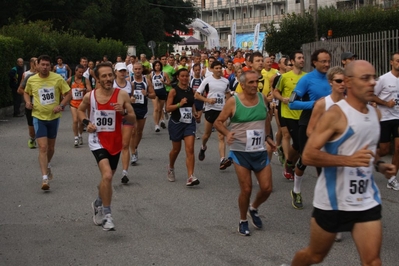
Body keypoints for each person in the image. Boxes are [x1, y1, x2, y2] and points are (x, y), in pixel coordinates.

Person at [287, 60, 395, 266]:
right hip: (332, 200)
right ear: (348, 82)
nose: (372, 83)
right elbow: (309, 155)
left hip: (365, 199)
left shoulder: (375, 113)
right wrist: (348, 160)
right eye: (365, 78)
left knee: (373, 262)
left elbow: (369, 153)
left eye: (374, 77)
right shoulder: (336, 114)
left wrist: (381, 166)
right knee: (314, 256)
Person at [214, 70, 276, 236]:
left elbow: (267, 119)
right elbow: (218, 122)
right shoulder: (234, 102)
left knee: (267, 188)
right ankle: (242, 220)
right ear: (242, 85)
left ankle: (253, 208)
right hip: (240, 151)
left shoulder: (262, 98)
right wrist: (227, 133)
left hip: (259, 151)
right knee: (246, 189)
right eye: (251, 82)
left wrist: (268, 136)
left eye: (257, 82)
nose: (255, 85)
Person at [78, 62, 136, 231]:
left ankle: (98, 202)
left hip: (115, 142)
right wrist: (86, 122)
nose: (108, 78)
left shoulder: (122, 95)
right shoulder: (91, 96)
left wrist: (124, 112)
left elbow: (132, 118)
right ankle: (107, 215)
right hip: (97, 140)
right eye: (104, 76)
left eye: (110, 75)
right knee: (108, 176)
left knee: (106, 179)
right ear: (97, 78)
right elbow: (81, 111)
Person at [288, 48, 332, 209]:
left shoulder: (333, 79)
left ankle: (325, 200)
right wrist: (315, 104)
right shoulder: (306, 79)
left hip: (328, 125)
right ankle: (296, 190)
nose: (327, 64)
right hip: (308, 123)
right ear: (314, 62)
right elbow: (292, 103)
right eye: (323, 61)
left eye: (328, 61)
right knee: (306, 160)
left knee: (324, 162)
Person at [24, 54, 71, 190]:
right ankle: (45, 179)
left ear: (50, 66)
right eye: (42, 64)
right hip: (38, 117)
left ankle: (48, 164)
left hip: (54, 118)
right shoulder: (32, 80)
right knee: (43, 147)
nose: (44, 67)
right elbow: (26, 92)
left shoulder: (57, 78)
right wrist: (27, 102)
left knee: (51, 148)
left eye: (47, 65)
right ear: (37, 65)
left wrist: (61, 105)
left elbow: (68, 93)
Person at [274, 51, 306, 181]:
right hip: (288, 114)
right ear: (292, 61)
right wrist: (282, 98)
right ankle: (289, 163)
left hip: (303, 114)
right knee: (298, 143)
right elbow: (275, 92)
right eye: (299, 58)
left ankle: (291, 164)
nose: (302, 60)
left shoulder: (307, 77)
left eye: (303, 58)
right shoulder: (285, 77)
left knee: (302, 146)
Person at [195, 60, 232, 170]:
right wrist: (207, 100)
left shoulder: (225, 81)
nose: (219, 70)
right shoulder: (207, 80)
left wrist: (228, 108)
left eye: (220, 68)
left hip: (222, 110)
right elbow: (196, 95)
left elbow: (228, 94)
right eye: (216, 68)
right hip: (210, 109)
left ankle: (222, 159)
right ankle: (203, 147)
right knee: (206, 135)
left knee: (221, 136)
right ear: (211, 69)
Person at [166, 68, 200, 186]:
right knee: (176, 149)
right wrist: (179, 104)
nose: (185, 78)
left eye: (187, 76)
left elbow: (192, 104)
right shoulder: (173, 91)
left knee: (190, 149)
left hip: (189, 123)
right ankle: (171, 167)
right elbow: (168, 108)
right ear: (178, 77)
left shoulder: (190, 90)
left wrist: (195, 113)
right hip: (176, 123)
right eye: (183, 76)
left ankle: (190, 176)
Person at [371, 51, 399, 190]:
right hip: (385, 118)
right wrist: (385, 103)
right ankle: (371, 160)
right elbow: (372, 96)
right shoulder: (383, 79)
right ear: (391, 63)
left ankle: (392, 178)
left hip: (398, 117)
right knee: (384, 149)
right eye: (397, 60)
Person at [130, 62, 156, 165]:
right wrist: (129, 98)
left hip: (142, 108)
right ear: (133, 70)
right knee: (133, 132)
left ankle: (135, 147)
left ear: (142, 69)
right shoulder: (129, 81)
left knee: (139, 132)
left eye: (139, 69)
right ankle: (133, 153)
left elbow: (154, 95)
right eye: (135, 69)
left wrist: (147, 94)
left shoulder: (146, 80)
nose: (137, 71)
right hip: (132, 108)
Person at [113, 62, 134, 184]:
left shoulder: (130, 85)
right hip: (113, 117)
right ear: (115, 72)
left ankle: (125, 172)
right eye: (120, 71)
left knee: (125, 145)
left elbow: (131, 101)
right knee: (115, 144)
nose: (122, 73)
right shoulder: (111, 85)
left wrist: (131, 101)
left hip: (126, 115)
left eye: (124, 71)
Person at [66, 64, 92, 147]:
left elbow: (90, 90)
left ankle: (80, 135)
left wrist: (84, 89)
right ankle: (76, 137)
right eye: (79, 72)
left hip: (82, 103)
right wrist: (66, 96)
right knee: (75, 120)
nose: (81, 74)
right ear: (75, 71)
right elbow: (65, 89)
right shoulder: (70, 80)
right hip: (73, 103)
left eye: (82, 72)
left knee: (81, 122)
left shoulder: (85, 80)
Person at [17, 57, 38, 148]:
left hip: (41, 105)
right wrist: (30, 96)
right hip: (30, 104)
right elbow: (19, 90)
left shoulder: (46, 76)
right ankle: (32, 138)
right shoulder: (26, 74)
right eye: (37, 63)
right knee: (31, 126)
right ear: (32, 64)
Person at [151, 60, 170, 132]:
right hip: (154, 92)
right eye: (156, 65)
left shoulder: (164, 74)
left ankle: (158, 122)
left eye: (158, 65)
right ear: (154, 67)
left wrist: (164, 82)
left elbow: (169, 83)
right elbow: (149, 84)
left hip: (162, 91)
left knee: (160, 109)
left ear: (160, 66)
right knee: (156, 108)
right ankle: (156, 125)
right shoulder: (151, 74)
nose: (157, 67)